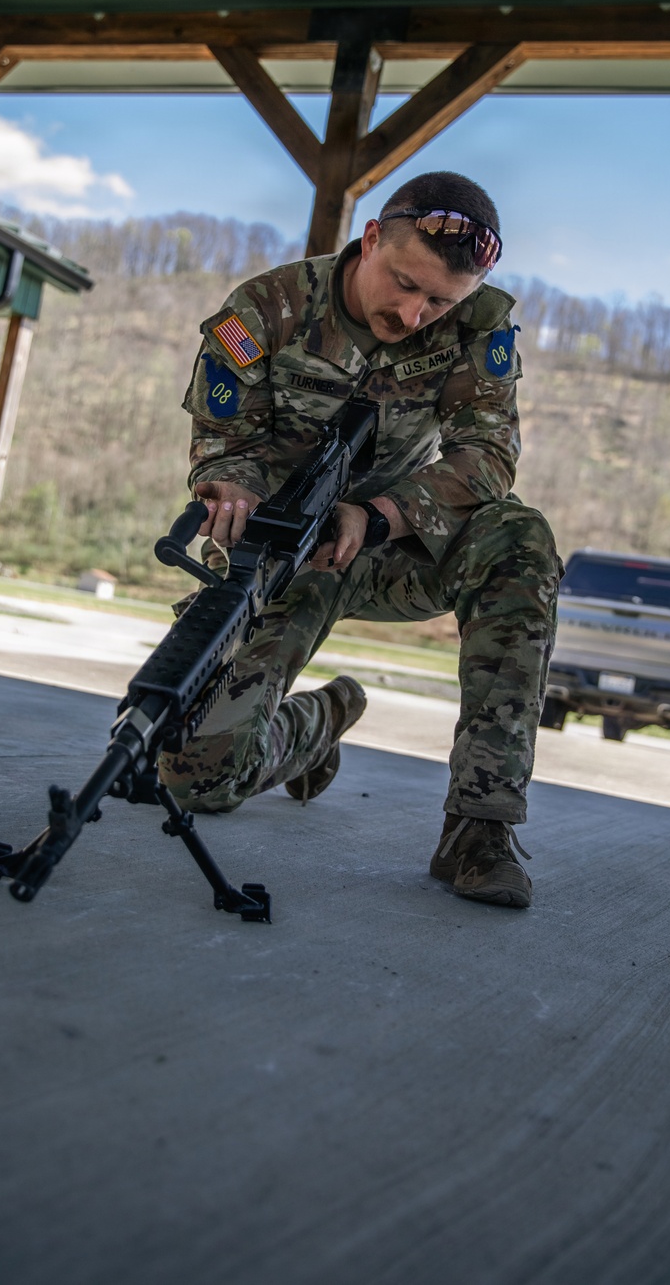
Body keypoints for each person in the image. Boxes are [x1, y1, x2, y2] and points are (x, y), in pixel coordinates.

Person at [159, 171, 561, 908]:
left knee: (519, 538)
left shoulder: (477, 330)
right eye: (405, 283)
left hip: (393, 549)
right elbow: (224, 443)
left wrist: (378, 514)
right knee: (195, 777)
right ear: (371, 238)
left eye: (439, 300)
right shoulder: (268, 308)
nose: (414, 313)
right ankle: (322, 719)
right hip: (279, 556)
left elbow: (488, 458)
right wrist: (234, 490)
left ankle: (479, 827)